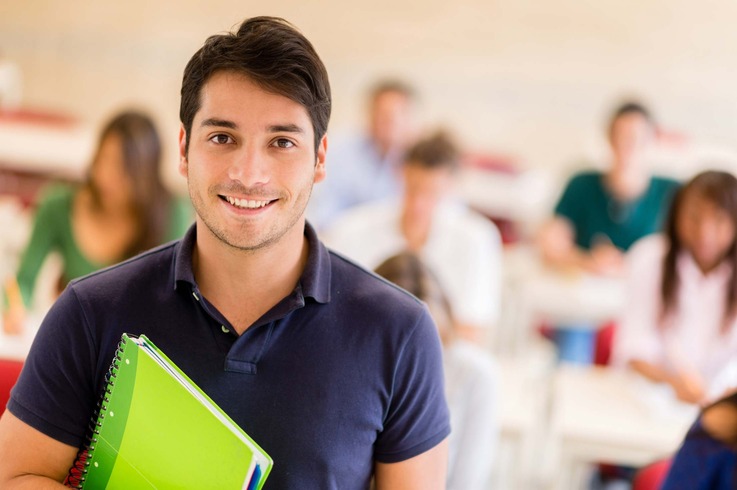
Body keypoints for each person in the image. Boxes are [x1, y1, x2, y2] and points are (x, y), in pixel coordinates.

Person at [0, 16, 449, 489]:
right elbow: (15, 476)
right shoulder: (91, 311)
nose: (249, 173)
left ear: (319, 159)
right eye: (222, 137)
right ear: (183, 148)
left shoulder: (399, 333)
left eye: (281, 142)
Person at [2, 110, 192, 334]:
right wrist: (15, 308)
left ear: (146, 176)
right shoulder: (59, 204)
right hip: (76, 337)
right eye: (105, 160)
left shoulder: (172, 213)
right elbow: (23, 282)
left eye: (124, 169)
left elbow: (174, 301)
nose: (107, 176)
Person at [324, 131, 502, 342]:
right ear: (401, 175)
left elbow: (473, 328)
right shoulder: (353, 228)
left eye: (431, 193)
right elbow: (332, 309)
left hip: (443, 357)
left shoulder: (476, 239)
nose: (418, 204)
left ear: (451, 187)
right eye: (413, 189)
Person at [375, 251, 498, 490]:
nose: (419, 361)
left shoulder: (475, 374)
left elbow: (467, 483)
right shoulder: (358, 370)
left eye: (431, 343)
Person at [613, 170, 737, 405]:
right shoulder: (650, 259)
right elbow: (633, 348)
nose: (705, 233)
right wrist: (672, 382)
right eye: (694, 217)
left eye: (719, 220)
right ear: (677, 214)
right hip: (648, 401)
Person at [539, 101, 680, 276]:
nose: (627, 147)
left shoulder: (672, 193)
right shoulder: (581, 185)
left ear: (652, 140)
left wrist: (630, 268)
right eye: (620, 137)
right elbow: (550, 245)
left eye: (636, 139)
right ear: (609, 138)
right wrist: (587, 261)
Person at [306, 79, 417, 230]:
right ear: (370, 113)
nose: (390, 122)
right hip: (346, 240)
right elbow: (323, 210)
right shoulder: (339, 150)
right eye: (383, 114)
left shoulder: (421, 158)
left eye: (396, 115)